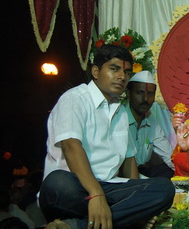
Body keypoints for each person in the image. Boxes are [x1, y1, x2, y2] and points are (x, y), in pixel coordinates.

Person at [39, 44, 175, 229]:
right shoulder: (75, 99)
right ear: (96, 71)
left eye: (127, 72)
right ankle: (116, 217)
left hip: (109, 189)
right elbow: (71, 147)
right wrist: (96, 194)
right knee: (58, 182)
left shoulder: (120, 111)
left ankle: (76, 226)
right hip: (74, 189)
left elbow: (129, 160)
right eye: (114, 69)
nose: (122, 77)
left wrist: (138, 200)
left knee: (164, 189)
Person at [126, 71, 174, 178]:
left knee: (167, 172)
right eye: (139, 93)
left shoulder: (152, 121)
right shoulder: (120, 118)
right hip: (123, 174)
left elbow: (167, 154)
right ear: (128, 93)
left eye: (150, 94)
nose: (145, 99)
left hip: (143, 171)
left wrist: (185, 174)